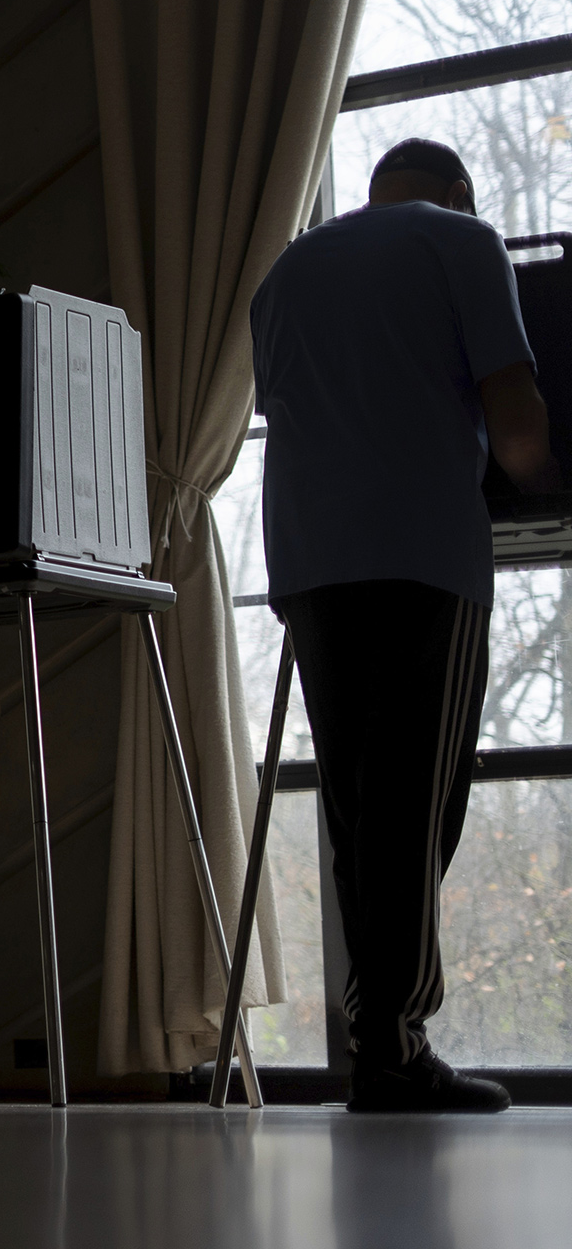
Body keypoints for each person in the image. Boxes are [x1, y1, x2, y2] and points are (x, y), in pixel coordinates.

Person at [251, 137, 562, 1114]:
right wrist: (546, 480)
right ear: (458, 192)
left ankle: (377, 1043)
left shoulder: (288, 269)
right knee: (420, 805)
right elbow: (515, 427)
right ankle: (392, 1049)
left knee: (359, 805)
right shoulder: (465, 244)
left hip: (308, 561)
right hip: (422, 550)